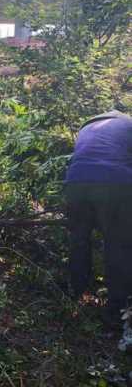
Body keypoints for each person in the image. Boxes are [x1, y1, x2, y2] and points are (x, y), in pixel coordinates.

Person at [65, 110, 132, 321]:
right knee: (117, 243)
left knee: (78, 239)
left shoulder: (87, 126)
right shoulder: (128, 126)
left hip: (75, 181)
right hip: (113, 182)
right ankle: (117, 310)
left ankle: (74, 292)